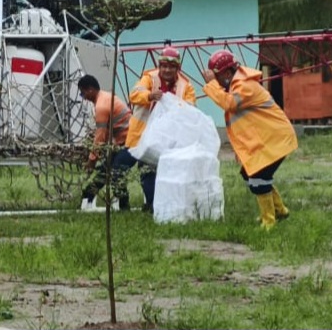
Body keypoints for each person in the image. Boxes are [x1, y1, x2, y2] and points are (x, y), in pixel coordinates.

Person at [200, 49, 297, 230]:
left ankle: (269, 221)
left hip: (275, 140)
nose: (216, 80)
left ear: (227, 74)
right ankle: (280, 211)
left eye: (217, 76)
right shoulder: (238, 84)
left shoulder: (245, 86)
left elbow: (229, 103)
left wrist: (211, 85)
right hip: (269, 139)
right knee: (249, 174)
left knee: (259, 177)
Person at [120, 46, 197, 213]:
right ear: (159, 66)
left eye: (171, 67)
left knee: (152, 171)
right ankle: (125, 204)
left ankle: (154, 205)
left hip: (166, 139)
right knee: (120, 168)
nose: (167, 70)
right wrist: (149, 96)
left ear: (178, 68)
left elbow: (190, 109)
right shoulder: (149, 78)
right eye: (164, 66)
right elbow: (134, 95)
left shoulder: (186, 86)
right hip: (140, 136)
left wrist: (176, 106)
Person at [77, 74, 132, 211]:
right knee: (103, 172)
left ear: (90, 90)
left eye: (82, 94)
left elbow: (100, 137)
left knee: (116, 173)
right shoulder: (105, 97)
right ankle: (87, 197)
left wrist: (92, 160)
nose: (83, 98)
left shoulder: (101, 106)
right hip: (121, 143)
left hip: (131, 143)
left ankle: (124, 207)